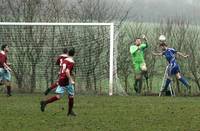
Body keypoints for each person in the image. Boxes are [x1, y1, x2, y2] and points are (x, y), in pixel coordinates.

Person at [40, 48, 76, 116]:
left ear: (68, 54)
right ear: (74, 54)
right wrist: (71, 80)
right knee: (71, 96)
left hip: (61, 79)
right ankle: (70, 111)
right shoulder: (71, 62)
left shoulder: (64, 60)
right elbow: (67, 71)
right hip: (66, 81)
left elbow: (63, 69)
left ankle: (45, 102)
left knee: (58, 96)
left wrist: (70, 73)